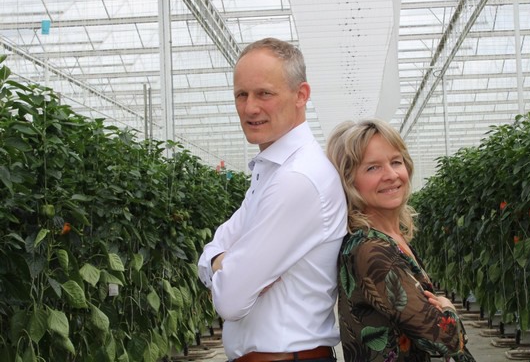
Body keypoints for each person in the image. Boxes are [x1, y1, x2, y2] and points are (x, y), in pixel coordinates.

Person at [197, 38, 347, 362]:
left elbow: (230, 299)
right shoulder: (273, 172)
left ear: (301, 95)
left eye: (264, 93)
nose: (250, 108)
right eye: (241, 94)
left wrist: (225, 267)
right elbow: (215, 247)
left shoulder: (297, 178)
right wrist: (219, 262)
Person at [326, 119, 475, 362]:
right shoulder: (372, 250)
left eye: (396, 162)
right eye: (373, 168)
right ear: (349, 180)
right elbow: (444, 339)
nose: (391, 175)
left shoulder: (391, 239)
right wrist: (448, 306)